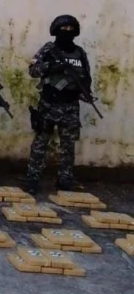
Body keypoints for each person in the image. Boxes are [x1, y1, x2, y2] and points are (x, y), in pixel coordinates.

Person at [24, 15, 92, 194]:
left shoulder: (79, 53)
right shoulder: (48, 50)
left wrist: (85, 93)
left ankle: (65, 180)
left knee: (68, 147)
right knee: (40, 144)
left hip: (70, 106)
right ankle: (32, 179)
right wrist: (52, 67)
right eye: (64, 29)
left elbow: (86, 77)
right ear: (56, 30)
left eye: (71, 30)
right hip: (49, 104)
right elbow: (33, 70)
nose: (67, 33)